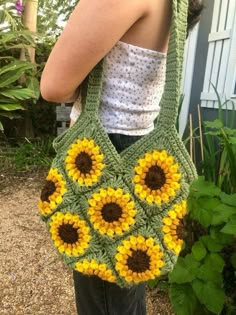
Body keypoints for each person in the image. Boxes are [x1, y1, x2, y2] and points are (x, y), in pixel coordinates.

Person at [40, 0, 204, 314]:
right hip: (144, 158)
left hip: (101, 153)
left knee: (103, 297)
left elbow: (54, 87)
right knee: (123, 288)